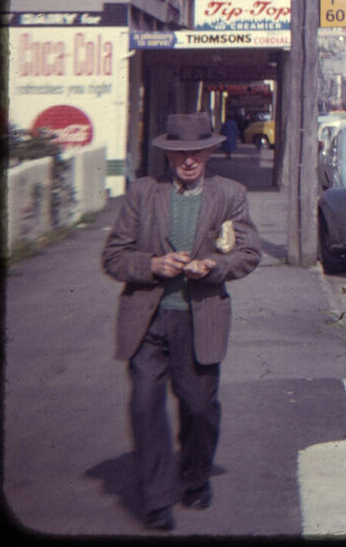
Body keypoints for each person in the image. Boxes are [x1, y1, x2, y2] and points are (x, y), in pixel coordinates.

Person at [101, 112, 261, 532]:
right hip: (147, 322)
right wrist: (153, 264)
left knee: (198, 408)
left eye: (195, 152)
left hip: (198, 319)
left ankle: (194, 477)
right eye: (179, 153)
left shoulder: (230, 194)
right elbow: (113, 257)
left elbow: (247, 254)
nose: (188, 161)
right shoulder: (141, 193)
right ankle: (155, 500)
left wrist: (213, 266)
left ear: (209, 151)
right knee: (144, 406)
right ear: (168, 155)